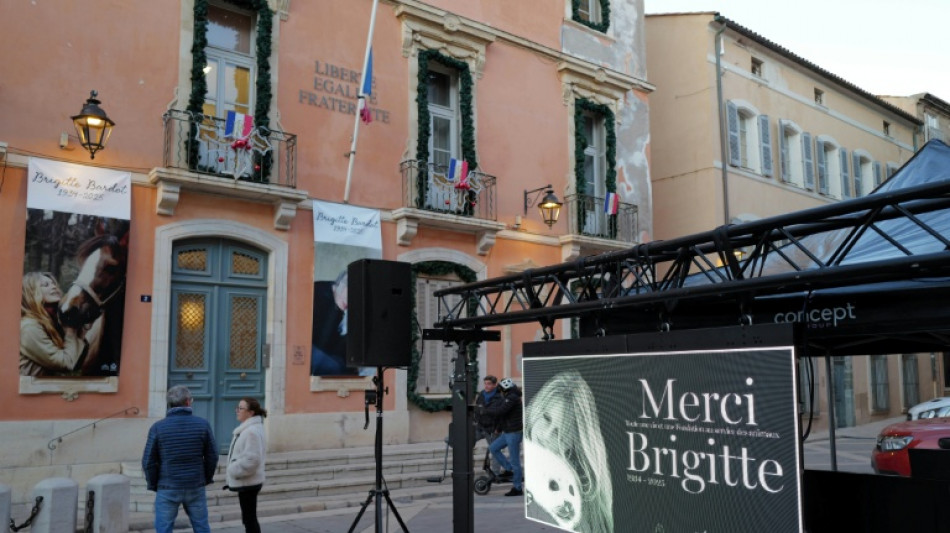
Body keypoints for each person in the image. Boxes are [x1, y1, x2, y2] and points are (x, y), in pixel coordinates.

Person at [524, 370, 612, 532]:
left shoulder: (583, 494)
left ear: (575, 442)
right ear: (536, 410)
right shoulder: (536, 460)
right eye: (546, 418)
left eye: (560, 431)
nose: (546, 434)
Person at [142, 385, 218, 533]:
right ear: (188, 402)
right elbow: (212, 457)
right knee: (202, 527)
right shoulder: (203, 425)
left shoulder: (158, 427)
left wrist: (153, 484)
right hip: (195, 484)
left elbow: (148, 461)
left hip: (167, 485)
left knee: (163, 529)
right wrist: (206, 478)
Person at [19, 272, 89, 377]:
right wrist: (71, 332)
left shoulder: (52, 322)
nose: (54, 287)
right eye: (46, 285)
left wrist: (81, 332)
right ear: (31, 292)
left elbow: (76, 363)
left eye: (53, 284)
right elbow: (65, 364)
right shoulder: (29, 327)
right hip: (29, 391)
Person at [225, 397, 267, 533]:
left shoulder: (251, 431)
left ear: (251, 412)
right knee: (248, 518)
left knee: (249, 519)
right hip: (247, 482)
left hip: (248, 482)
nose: (237, 411)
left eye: (241, 408)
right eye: (237, 407)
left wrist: (233, 470)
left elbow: (252, 460)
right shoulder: (250, 428)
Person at [483, 377, 524, 496]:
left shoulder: (512, 398)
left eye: (501, 389)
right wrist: (499, 429)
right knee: (493, 448)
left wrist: (486, 411)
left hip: (514, 433)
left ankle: (517, 488)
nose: (500, 391)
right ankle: (509, 469)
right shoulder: (508, 397)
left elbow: (501, 411)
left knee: (515, 460)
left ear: (505, 389)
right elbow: (504, 416)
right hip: (507, 432)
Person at [310, 270, 354, 375]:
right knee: (337, 368)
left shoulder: (339, 303)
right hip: (308, 347)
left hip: (322, 350)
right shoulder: (317, 292)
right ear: (341, 285)